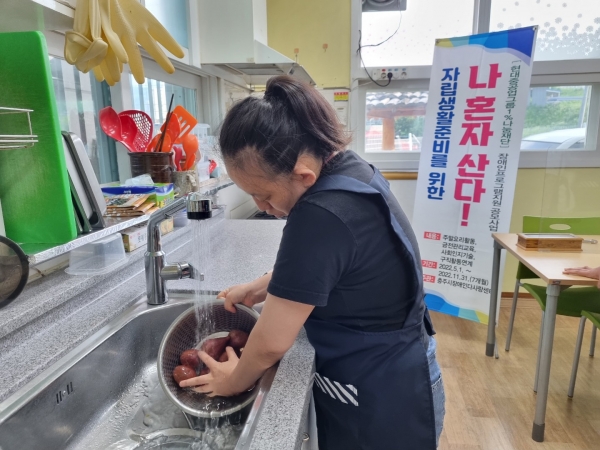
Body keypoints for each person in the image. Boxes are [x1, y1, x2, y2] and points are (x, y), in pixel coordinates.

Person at [179, 75, 445, 449]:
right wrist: (261, 286)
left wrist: (232, 381)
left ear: (303, 174)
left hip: (382, 393)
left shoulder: (319, 214)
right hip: (400, 366)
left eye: (263, 194)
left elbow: (271, 343)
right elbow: (334, 261)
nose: (261, 207)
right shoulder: (348, 169)